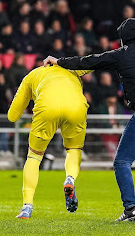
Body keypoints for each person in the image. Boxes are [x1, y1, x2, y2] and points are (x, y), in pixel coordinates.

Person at [44, 18, 135, 221]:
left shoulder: (121, 54)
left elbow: (89, 61)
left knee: (122, 161)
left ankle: (131, 210)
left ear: (124, 38)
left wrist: (59, 62)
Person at [8, 64, 92, 219]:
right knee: (74, 150)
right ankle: (70, 178)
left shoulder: (32, 76)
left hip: (47, 107)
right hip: (76, 106)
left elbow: (12, 115)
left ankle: (27, 206)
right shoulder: (72, 67)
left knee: (34, 156)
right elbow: (93, 63)